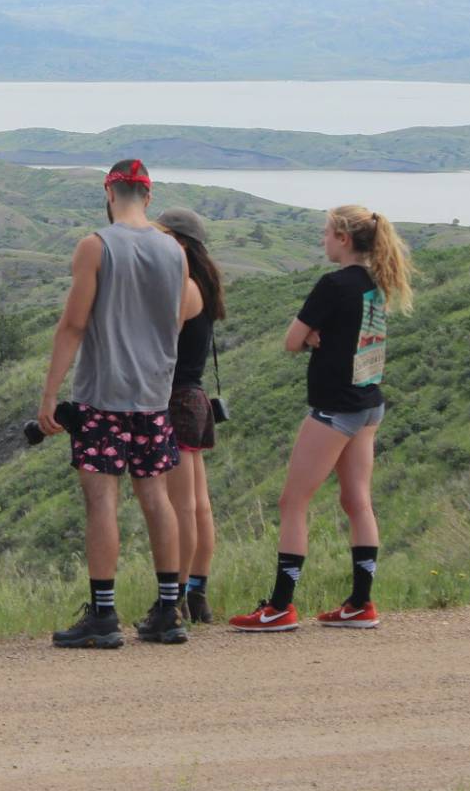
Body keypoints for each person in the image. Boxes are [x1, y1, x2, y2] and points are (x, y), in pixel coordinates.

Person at [37, 160, 201, 649]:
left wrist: (50, 394)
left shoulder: (96, 246)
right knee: (157, 498)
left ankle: (104, 615)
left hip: (103, 393)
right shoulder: (175, 251)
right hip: (153, 395)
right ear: (147, 196)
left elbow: (73, 324)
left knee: (102, 500)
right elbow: (174, 320)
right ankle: (169, 610)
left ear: (109, 193)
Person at [230, 204, 414, 633]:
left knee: (293, 503)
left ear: (344, 239)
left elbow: (291, 341)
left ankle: (279, 606)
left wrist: (312, 337)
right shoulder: (377, 281)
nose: (322, 240)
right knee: (357, 502)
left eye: (327, 233)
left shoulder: (333, 285)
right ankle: (360, 603)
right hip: (369, 403)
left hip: (335, 408)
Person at [156, 207, 225, 626]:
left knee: (183, 506)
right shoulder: (204, 284)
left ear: (179, 243)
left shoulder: (184, 289)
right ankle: (197, 592)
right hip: (193, 398)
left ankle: (175, 597)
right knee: (198, 506)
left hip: (175, 400)